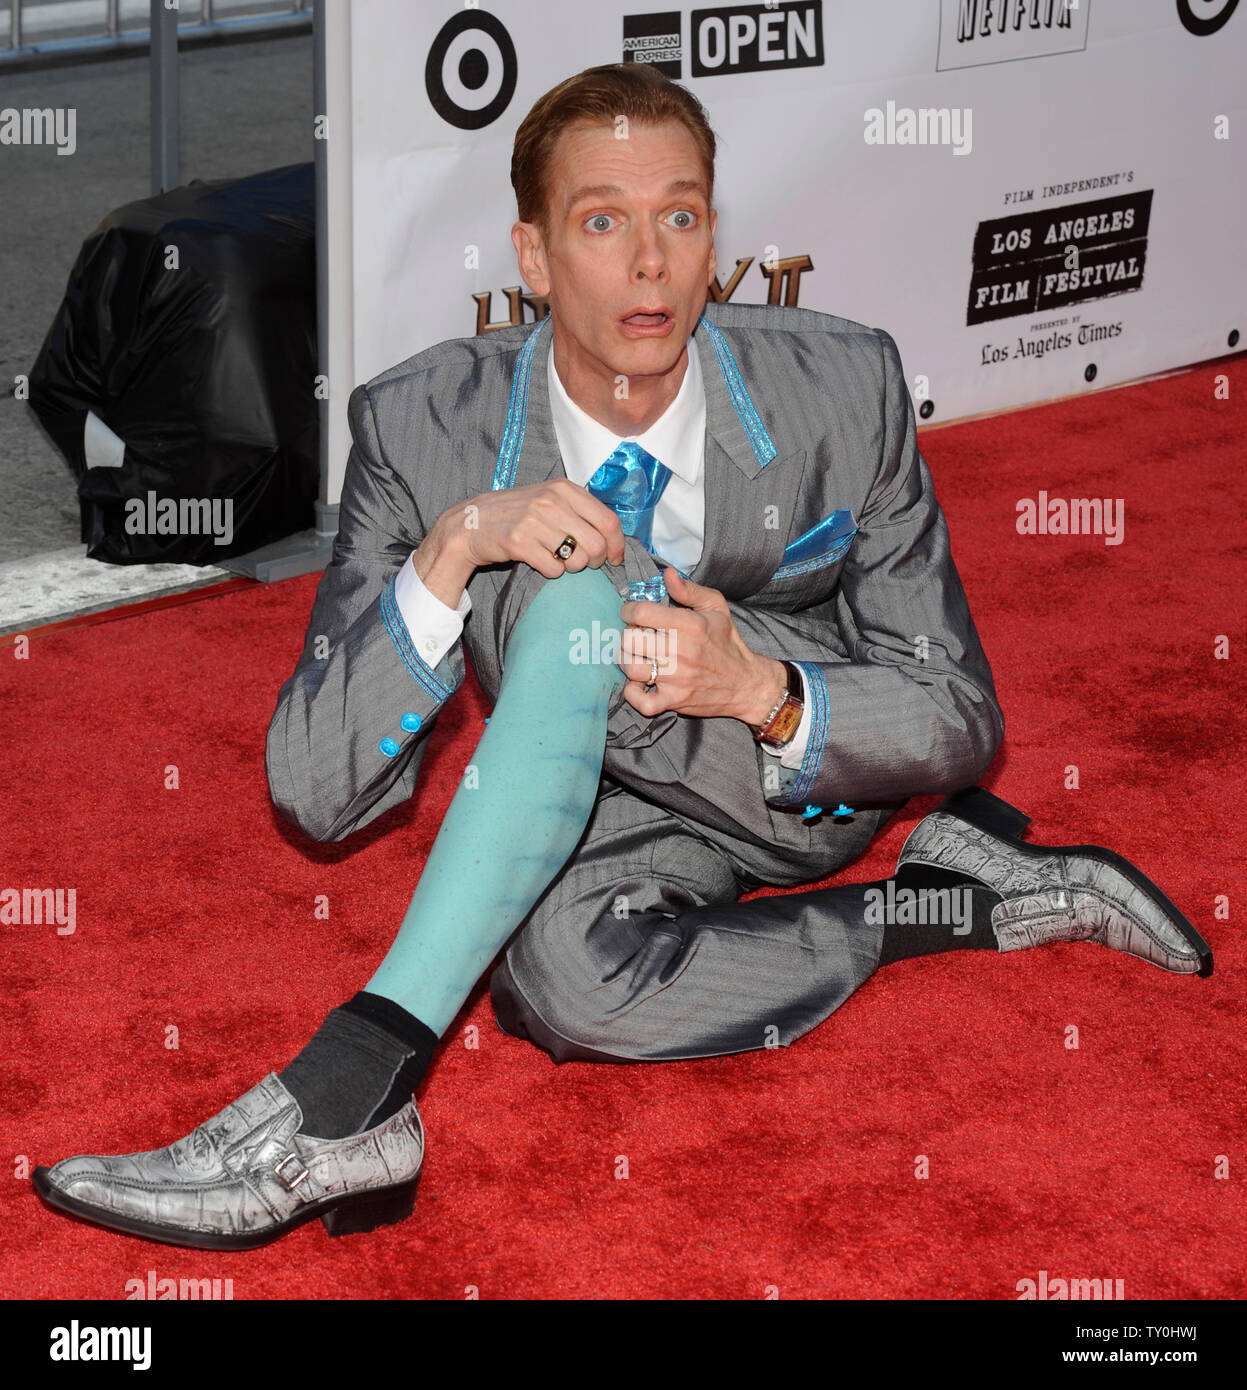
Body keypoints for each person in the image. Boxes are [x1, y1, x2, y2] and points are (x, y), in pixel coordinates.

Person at [33, 64, 1211, 1251]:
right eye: (602, 223)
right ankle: (935, 903)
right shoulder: (420, 428)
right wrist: (450, 553)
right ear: (533, 259)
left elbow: (960, 713)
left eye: (680, 218)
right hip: (585, 796)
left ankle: (352, 1086)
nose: (649, 263)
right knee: (559, 985)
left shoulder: (844, 387)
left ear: (711, 241)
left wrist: (753, 686)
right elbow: (316, 794)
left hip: (791, 774)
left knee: (584, 592)